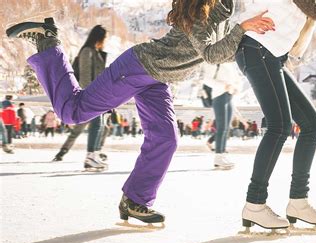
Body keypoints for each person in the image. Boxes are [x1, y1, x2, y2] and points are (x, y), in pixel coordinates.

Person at [7, 0, 275, 227]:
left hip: (157, 79)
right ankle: (47, 40)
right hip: (137, 68)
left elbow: (222, 51)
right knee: (72, 112)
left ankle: (135, 201)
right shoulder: (198, 14)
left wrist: (252, 38)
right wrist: (242, 29)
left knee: (166, 138)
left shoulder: (219, 13)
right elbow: (212, 54)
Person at [237, 0, 316, 231]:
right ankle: (254, 203)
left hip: (271, 55)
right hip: (257, 48)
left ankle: (298, 201)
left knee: (313, 124)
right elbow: (315, 9)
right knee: (279, 126)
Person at [52, 25, 108, 171]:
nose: (105, 41)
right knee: (95, 125)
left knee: (100, 125)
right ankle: (90, 158)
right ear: (99, 37)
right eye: (104, 38)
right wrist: (92, 96)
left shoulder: (96, 52)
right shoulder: (87, 52)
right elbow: (85, 77)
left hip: (99, 96)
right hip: (90, 96)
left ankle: (94, 155)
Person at [202, 62, 242, 169]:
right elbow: (206, 79)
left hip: (229, 96)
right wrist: (224, 86)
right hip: (219, 96)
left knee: (226, 128)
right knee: (221, 127)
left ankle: (222, 154)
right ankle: (218, 157)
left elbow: (237, 78)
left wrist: (236, 87)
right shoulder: (213, 61)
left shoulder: (230, 63)